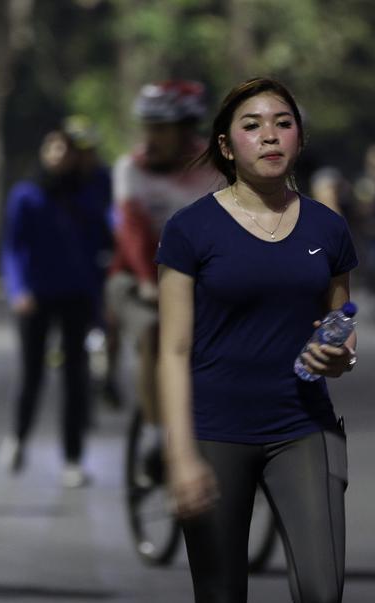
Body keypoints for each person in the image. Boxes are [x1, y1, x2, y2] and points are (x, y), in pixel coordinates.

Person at [158, 77, 357, 603]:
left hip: (303, 425)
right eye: (251, 124)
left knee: (323, 596)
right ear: (225, 144)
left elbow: (339, 324)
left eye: (282, 122)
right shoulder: (190, 231)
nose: (269, 134)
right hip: (216, 429)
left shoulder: (329, 229)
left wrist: (338, 352)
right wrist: (181, 454)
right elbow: (173, 351)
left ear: (300, 138)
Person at [105, 80, 219, 434]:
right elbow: (132, 232)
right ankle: (157, 433)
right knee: (154, 333)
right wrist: (144, 279)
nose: (151, 137)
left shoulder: (215, 167)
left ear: (186, 129)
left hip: (199, 278)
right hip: (137, 276)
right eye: (148, 127)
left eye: (162, 128)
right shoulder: (130, 169)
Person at [0, 129, 111, 485]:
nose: (60, 154)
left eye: (67, 149)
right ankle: (18, 436)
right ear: (43, 152)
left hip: (77, 295)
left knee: (75, 379)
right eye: (54, 147)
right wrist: (18, 290)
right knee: (32, 373)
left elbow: (105, 237)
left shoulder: (88, 192)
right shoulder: (26, 195)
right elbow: (13, 247)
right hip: (36, 296)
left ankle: (73, 459)